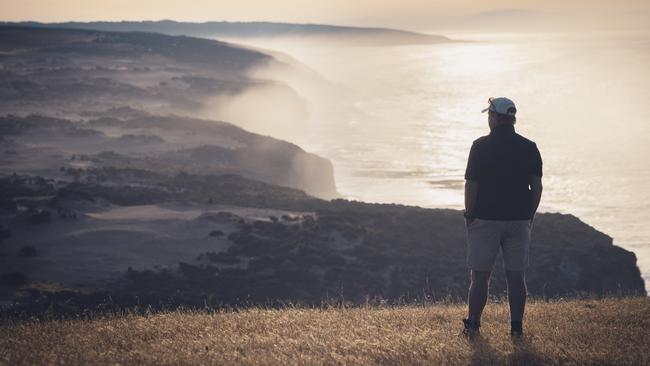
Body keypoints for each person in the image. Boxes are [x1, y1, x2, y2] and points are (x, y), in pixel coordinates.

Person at [461, 97, 543, 338]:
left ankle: (473, 325)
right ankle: (516, 329)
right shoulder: (530, 147)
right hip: (519, 220)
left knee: (480, 277)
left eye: (490, 115)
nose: (489, 119)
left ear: (495, 117)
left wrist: (469, 214)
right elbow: (536, 186)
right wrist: (530, 214)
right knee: (516, 276)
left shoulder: (479, 146)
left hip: (485, 218)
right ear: (513, 118)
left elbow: (471, 185)